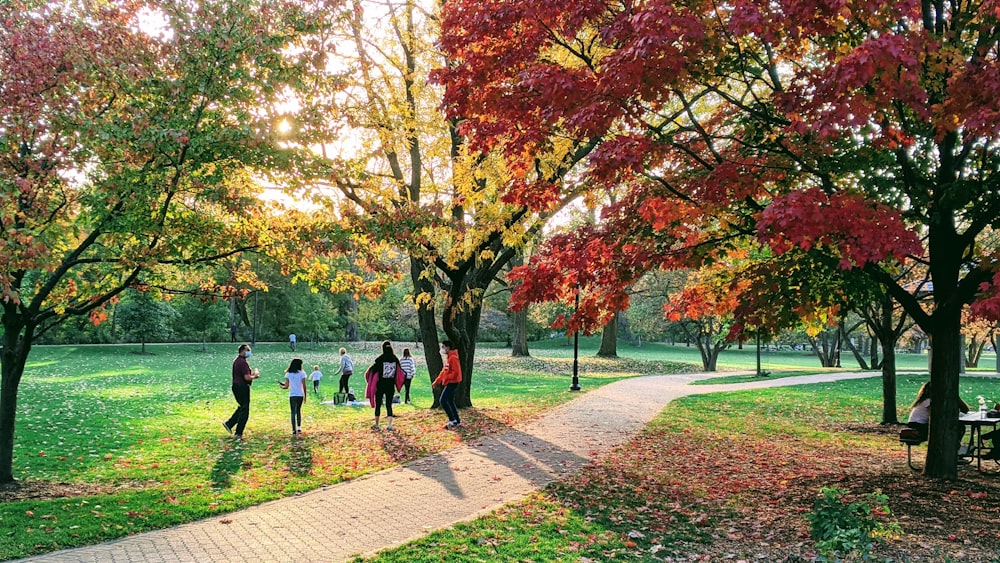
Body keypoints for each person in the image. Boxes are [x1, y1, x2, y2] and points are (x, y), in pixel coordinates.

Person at [906, 381, 968, 445]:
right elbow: (936, 416)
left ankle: (954, 446)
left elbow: (965, 409)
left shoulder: (926, 400)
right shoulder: (928, 401)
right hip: (918, 427)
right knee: (956, 427)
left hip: (921, 425)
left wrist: (956, 398)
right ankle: (953, 446)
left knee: (958, 427)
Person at [223, 344, 259, 439]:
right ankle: (238, 433)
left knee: (242, 407)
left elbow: (246, 374)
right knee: (245, 411)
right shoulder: (242, 362)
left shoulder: (238, 361)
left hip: (237, 386)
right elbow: (247, 377)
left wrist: (252, 374)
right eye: (248, 350)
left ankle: (229, 424)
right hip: (242, 387)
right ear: (242, 350)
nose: (249, 352)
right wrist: (255, 376)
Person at [368, 341, 403, 431]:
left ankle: (377, 424)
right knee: (389, 405)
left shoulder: (380, 359)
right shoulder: (395, 359)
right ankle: (390, 425)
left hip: (380, 385)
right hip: (391, 385)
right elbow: (399, 371)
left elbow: (373, 369)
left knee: (378, 404)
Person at [432, 340, 462, 429]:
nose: (442, 349)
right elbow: (443, 371)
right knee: (450, 400)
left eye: (443, 347)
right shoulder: (448, 358)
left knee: (443, 400)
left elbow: (456, 372)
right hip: (450, 382)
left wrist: (447, 377)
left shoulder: (453, 358)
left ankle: (452, 420)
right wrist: (437, 381)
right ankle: (457, 420)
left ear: (448, 347)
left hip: (453, 382)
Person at [280, 358, 308, 435]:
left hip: (292, 395)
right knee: (298, 410)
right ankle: (299, 427)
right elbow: (304, 385)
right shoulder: (302, 373)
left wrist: (281, 386)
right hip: (300, 394)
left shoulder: (288, 374)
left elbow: (286, 386)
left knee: (293, 412)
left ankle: (293, 429)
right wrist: (305, 396)